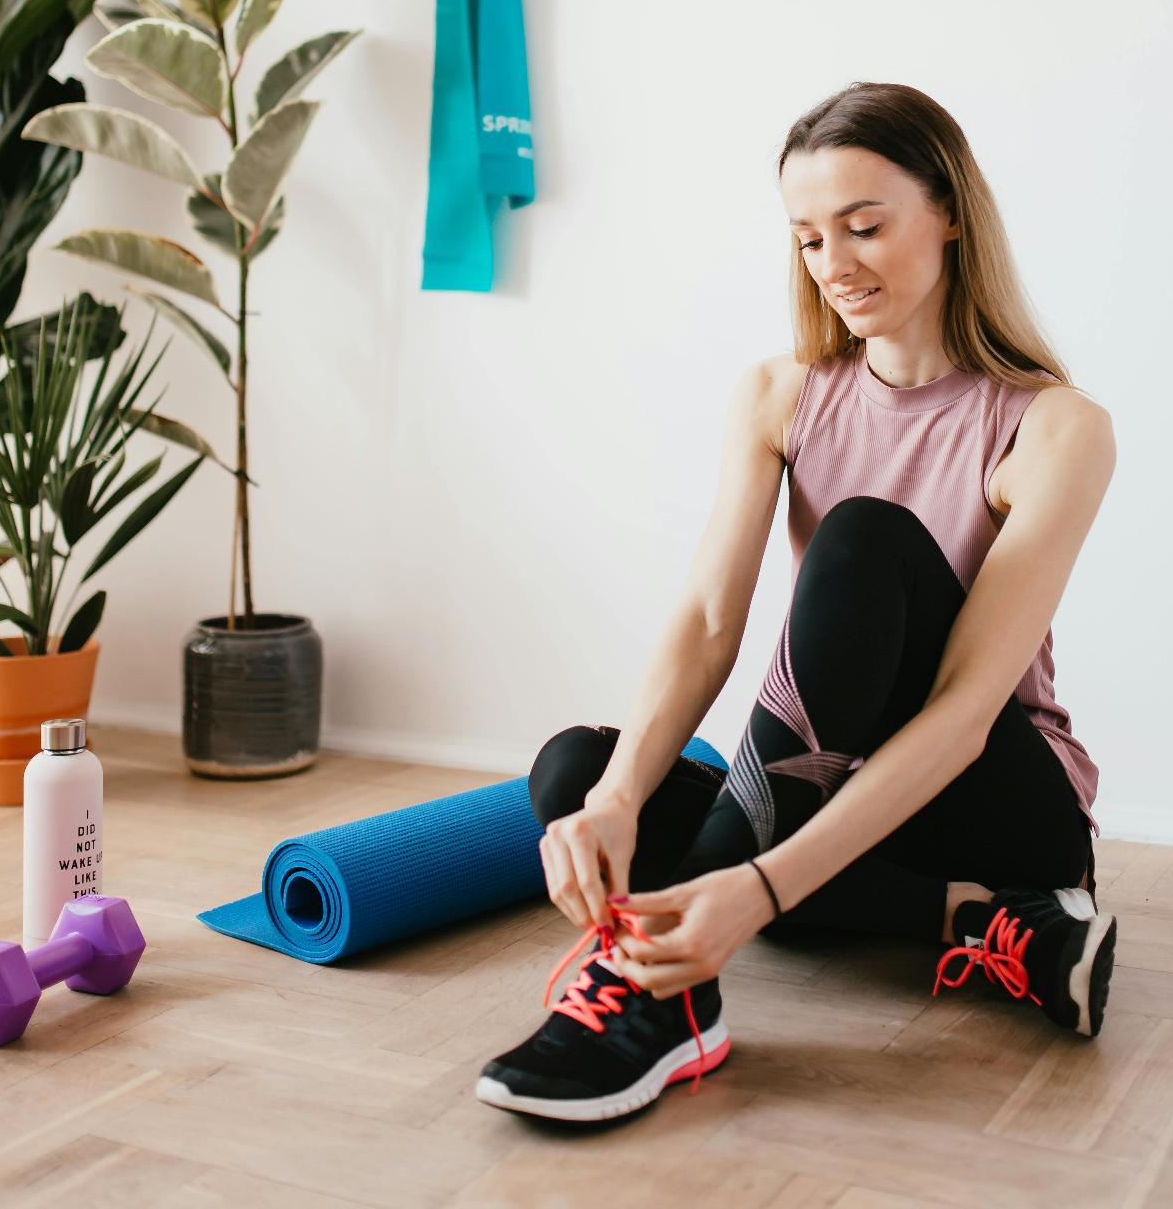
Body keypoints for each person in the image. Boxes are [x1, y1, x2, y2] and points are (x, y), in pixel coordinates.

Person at [476, 81, 1119, 1124]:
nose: (835, 265)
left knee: (863, 539)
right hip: (832, 783)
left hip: (996, 796)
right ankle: (985, 927)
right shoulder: (783, 393)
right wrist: (617, 801)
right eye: (810, 238)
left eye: (864, 227)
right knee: (580, 773)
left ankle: (662, 1001)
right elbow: (709, 622)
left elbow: (961, 714)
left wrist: (761, 888)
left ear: (949, 210)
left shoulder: (1054, 428)